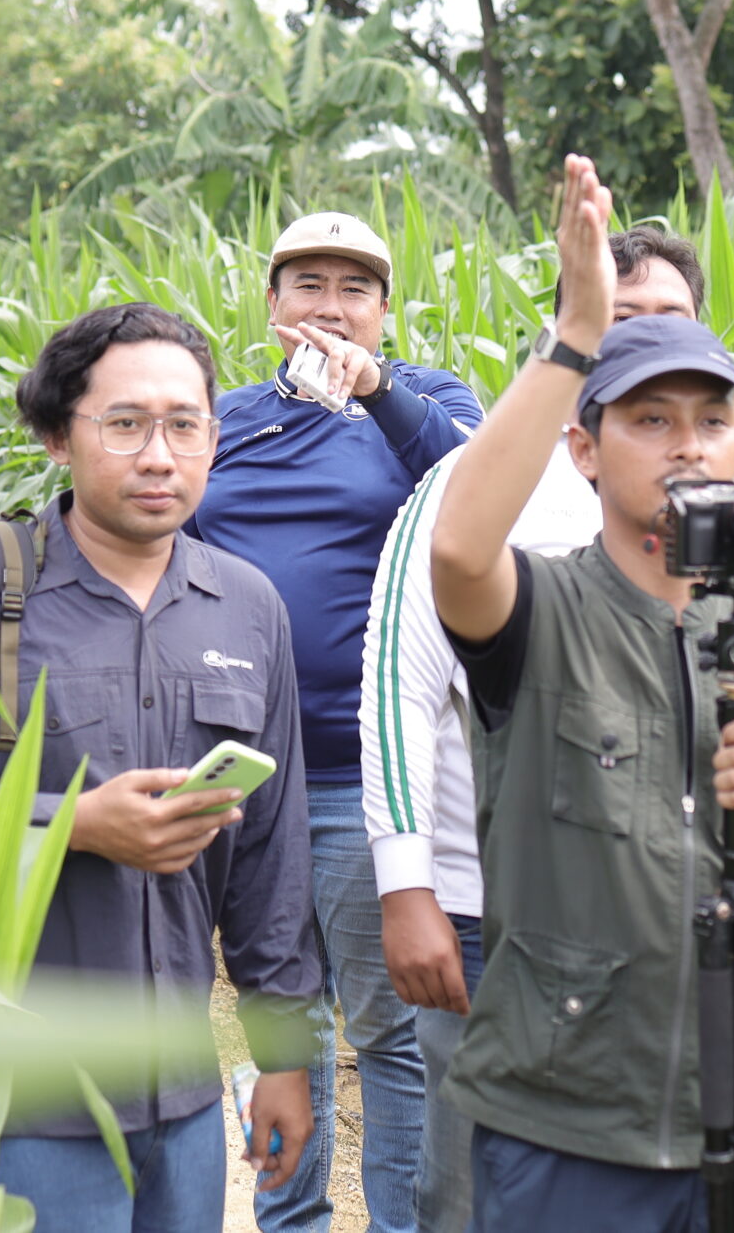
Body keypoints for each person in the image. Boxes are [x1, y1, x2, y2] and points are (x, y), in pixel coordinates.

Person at [362, 230, 734, 1233]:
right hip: (564, 1121)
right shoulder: (539, 612)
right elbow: (459, 550)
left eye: (713, 420)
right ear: (583, 448)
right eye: (649, 418)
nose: (688, 445)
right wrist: (578, 333)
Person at [0, 303, 318, 1233]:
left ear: (215, 437)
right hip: (16, 1102)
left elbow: (271, 862)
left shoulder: (248, 608)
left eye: (185, 424)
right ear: (59, 436)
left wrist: (283, 1056)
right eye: (125, 424)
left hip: (184, 1103)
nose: (160, 456)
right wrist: (73, 823)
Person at [186, 212, 484, 1233]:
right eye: (307, 284)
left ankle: (401, 1223)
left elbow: (485, 494)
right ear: (272, 305)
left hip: (373, 779)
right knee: (281, 1022)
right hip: (246, 778)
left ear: (385, 310)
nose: (330, 305)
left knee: (392, 1030)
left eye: (354, 287)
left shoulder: (427, 403)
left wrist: (376, 390)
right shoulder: (220, 421)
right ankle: (292, 1221)